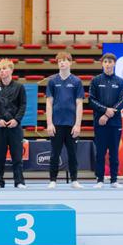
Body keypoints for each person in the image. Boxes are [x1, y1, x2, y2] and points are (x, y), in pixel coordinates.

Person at [46, 52, 84, 189]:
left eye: (64, 60)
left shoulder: (77, 82)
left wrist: (78, 124)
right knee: (54, 154)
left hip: (71, 124)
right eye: (59, 61)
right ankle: (52, 180)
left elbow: (79, 104)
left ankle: (74, 179)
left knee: (72, 154)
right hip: (56, 124)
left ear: (70, 63)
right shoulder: (52, 82)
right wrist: (49, 123)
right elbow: (49, 103)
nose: (62, 63)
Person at [89, 53, 123, 189]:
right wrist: (104, 112)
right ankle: (99, 179)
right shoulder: (96, 81)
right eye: (105, 62)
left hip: (115, 123)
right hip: (100, 122)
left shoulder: (120, 82)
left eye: (110, 62)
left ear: (114, 64)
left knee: (114, 152)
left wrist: (108, 114)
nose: (108, 64)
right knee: (100, 152)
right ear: (102, 64)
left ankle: (114, 180)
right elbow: (91, 100)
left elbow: (121, 102)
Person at [0, 59, 27, 189]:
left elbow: (23, 105)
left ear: (11, 70)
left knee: (17, 156)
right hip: (0, 127)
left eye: (4, 69)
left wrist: (16, 120)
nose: (2, 72)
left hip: (15, 127)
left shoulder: (19, 87)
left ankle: (19, 181)